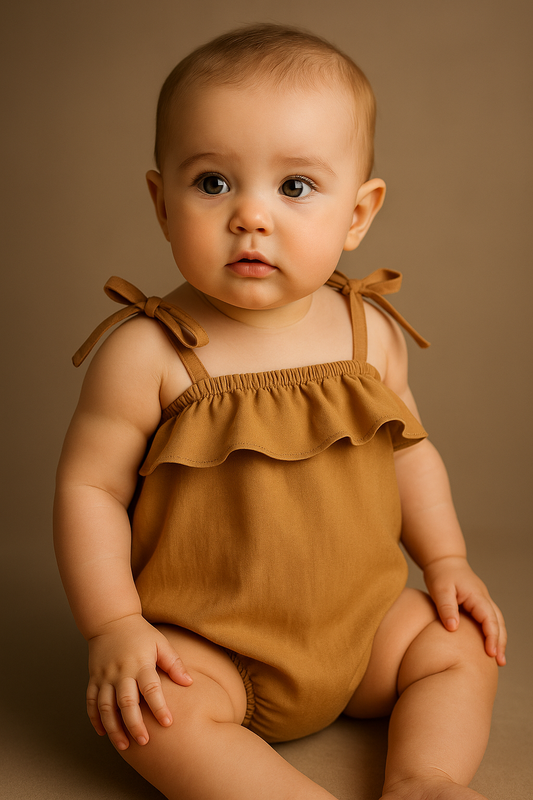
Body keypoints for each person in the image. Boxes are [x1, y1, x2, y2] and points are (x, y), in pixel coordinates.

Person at [54, 23, 507, 800]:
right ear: (161, 202)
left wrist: (446, 562)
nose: (250, 217)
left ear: (358, 213)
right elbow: (89, 491)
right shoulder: (151, 353)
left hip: (360, 633)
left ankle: (425, 780)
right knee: (155, 715)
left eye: (294, 187)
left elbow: (408, 455)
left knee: (457, 644)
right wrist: (115, 626)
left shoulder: (369, 333)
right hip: (207, 648)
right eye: (212, 183)